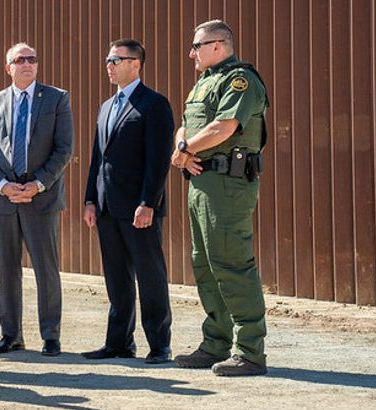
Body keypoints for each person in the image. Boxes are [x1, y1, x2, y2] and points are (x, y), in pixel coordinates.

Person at [170, 19, 269, 377]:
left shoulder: (240, 81)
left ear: (219, 45)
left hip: (228, 184)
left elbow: (223, 127)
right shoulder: (204, 83)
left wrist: (183, 150)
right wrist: (183, 147)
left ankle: (250, 350)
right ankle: (215, 343)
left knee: (231, 263)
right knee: (205, 265)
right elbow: (187, 123)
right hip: (201, 181)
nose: (191, 53)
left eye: (197, 46)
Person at [0, 43, 73, 357]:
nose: (28, 64)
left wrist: (39, 184)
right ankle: (11, 335)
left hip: (41, 199)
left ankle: (51, 335)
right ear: (9, 67)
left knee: (46, 269)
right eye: (20, 60)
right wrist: (3, 185)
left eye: (32, 58)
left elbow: (63, 149)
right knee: (7, 269)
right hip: (5, 200)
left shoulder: (57, 98)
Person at [82, 39, 174, 364]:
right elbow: (97, 157)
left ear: (135, 64)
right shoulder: (107, 106)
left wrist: (149, 201)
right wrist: (90, 200)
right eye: (108, 59)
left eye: (116, 59)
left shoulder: (154, 104)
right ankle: (119, 342)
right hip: (107, 208)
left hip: (139, 208)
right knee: (116, 277)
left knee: (150, 276)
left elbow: (158, 160)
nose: (109, 64)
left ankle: (159, 344)